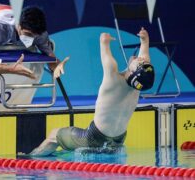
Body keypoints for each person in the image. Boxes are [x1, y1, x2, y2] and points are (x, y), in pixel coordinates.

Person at [29, 27, 155, 156]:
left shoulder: (113, 78)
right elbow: (145, 61)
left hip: (95, 137)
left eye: (139, 63)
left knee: (54, 135)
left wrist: (104, 41)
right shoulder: (138, 85)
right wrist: (145, 41)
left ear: (133, 72)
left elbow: (105, 53)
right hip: (118, 140)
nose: (140, 60)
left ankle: (30, 159)